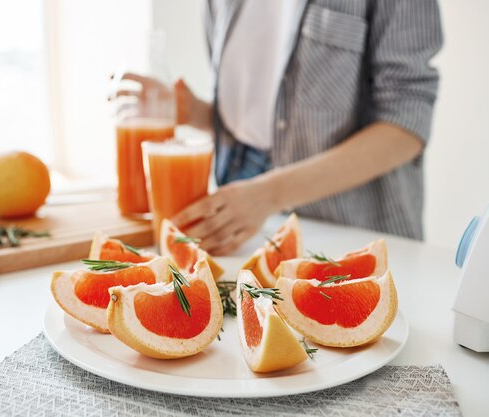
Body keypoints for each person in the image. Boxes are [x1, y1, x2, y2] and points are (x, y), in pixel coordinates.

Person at [119, 0, 442, 255]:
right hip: (239, 200)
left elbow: (406, 126)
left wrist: (269, 194)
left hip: (348, 221)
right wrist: (195, 112)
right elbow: (255, 116)